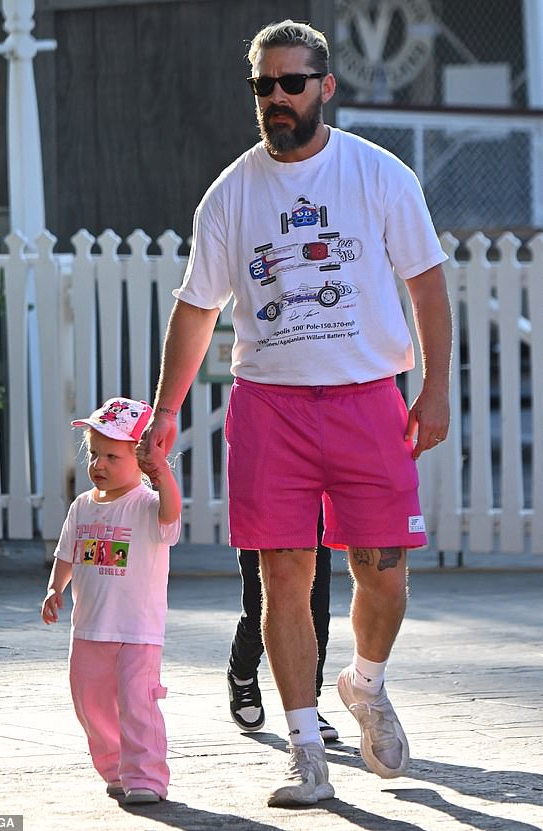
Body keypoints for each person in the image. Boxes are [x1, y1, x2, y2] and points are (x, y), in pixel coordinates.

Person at [137, 19, 451, 808]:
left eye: (291, 82)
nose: (276, 97)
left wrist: (436, 385)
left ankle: (366, 684)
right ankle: (304, 746)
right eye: (263, 86)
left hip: (367, 398)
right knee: (283, 575)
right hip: (270, 405)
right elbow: (195, 308)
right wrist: (165, 408)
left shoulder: (379, 176)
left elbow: (426, 285)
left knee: (385, 573)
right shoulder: (231, 193)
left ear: (325, 87)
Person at [41, 397, 181, 805]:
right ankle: (117, 768)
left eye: (112, 456)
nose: (98, 465)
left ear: (140, 460)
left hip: (137, 631)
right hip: (88, 630)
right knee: (91, 702)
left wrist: (163, 473)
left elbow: (171, 512)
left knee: (138, 704)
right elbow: (66, 554)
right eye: (94, 454)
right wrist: (55, 589)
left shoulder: (147, 505)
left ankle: (147, 776)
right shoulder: (81, 506)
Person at [227, 512, 339, 742]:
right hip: (264, 490)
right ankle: (241, 673)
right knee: (260, 609)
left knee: (315, 610)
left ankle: (308, 704)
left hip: (313, 497)